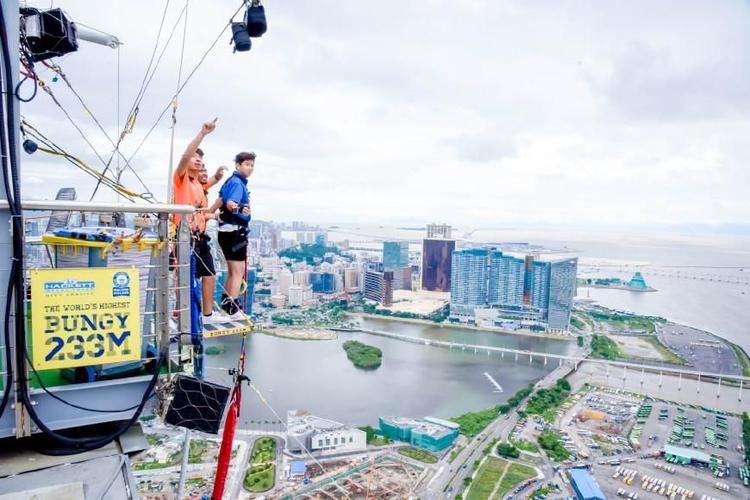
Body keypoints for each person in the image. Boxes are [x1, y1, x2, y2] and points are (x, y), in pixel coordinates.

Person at [172, 119, 224, 323]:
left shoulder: (197, 185)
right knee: (186, 278)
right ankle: (183, 314)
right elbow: (185, 156)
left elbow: (207, 184)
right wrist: (202, 134)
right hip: (185, 236)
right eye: (195, 158)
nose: (197, 161)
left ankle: (207, 314)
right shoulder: (181, 179)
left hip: (200, 237)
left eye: (200, 159)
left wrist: (217, 177)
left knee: (209, 274)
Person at [216, 152, 255, 318]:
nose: (250, 168)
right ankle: (232, 310)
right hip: (234, 232)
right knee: (238, 272)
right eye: (247, 164)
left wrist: (209, 213)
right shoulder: (238, 183)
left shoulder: (230, 181)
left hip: (226, 232)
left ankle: (227, 306)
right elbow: (231, 204)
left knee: (232, 272)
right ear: (238, 165)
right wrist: (240, 209)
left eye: (252, 165)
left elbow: (220, 201)